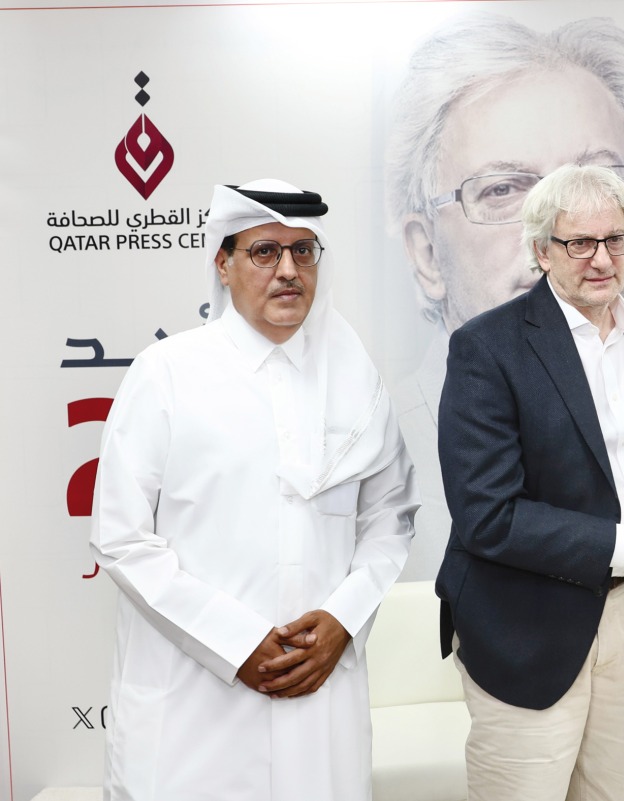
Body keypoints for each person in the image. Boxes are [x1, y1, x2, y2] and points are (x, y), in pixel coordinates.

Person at [383, 12, 624, 742]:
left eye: (604, 187)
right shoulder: (389, 457)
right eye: (502, 189)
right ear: (426, 250)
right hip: (521, 657)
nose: (566, 231)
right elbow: (491, 519)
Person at [90, 179, 420, 801]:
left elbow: (391, 517)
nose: (288, 270)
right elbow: (121, 538)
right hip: (195, 696)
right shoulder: (166, 374)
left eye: (304, 251)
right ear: (223, 263)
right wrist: (236, 643)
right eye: (265, 251)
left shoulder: (356, 381)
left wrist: (343, 621)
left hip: (320, 690)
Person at [435, 164, 624, 800]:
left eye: (615, 240)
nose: (601, 260)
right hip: (524, 625)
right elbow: (487, 514)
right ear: (540, 251)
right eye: (578, 243)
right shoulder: (487, 347)